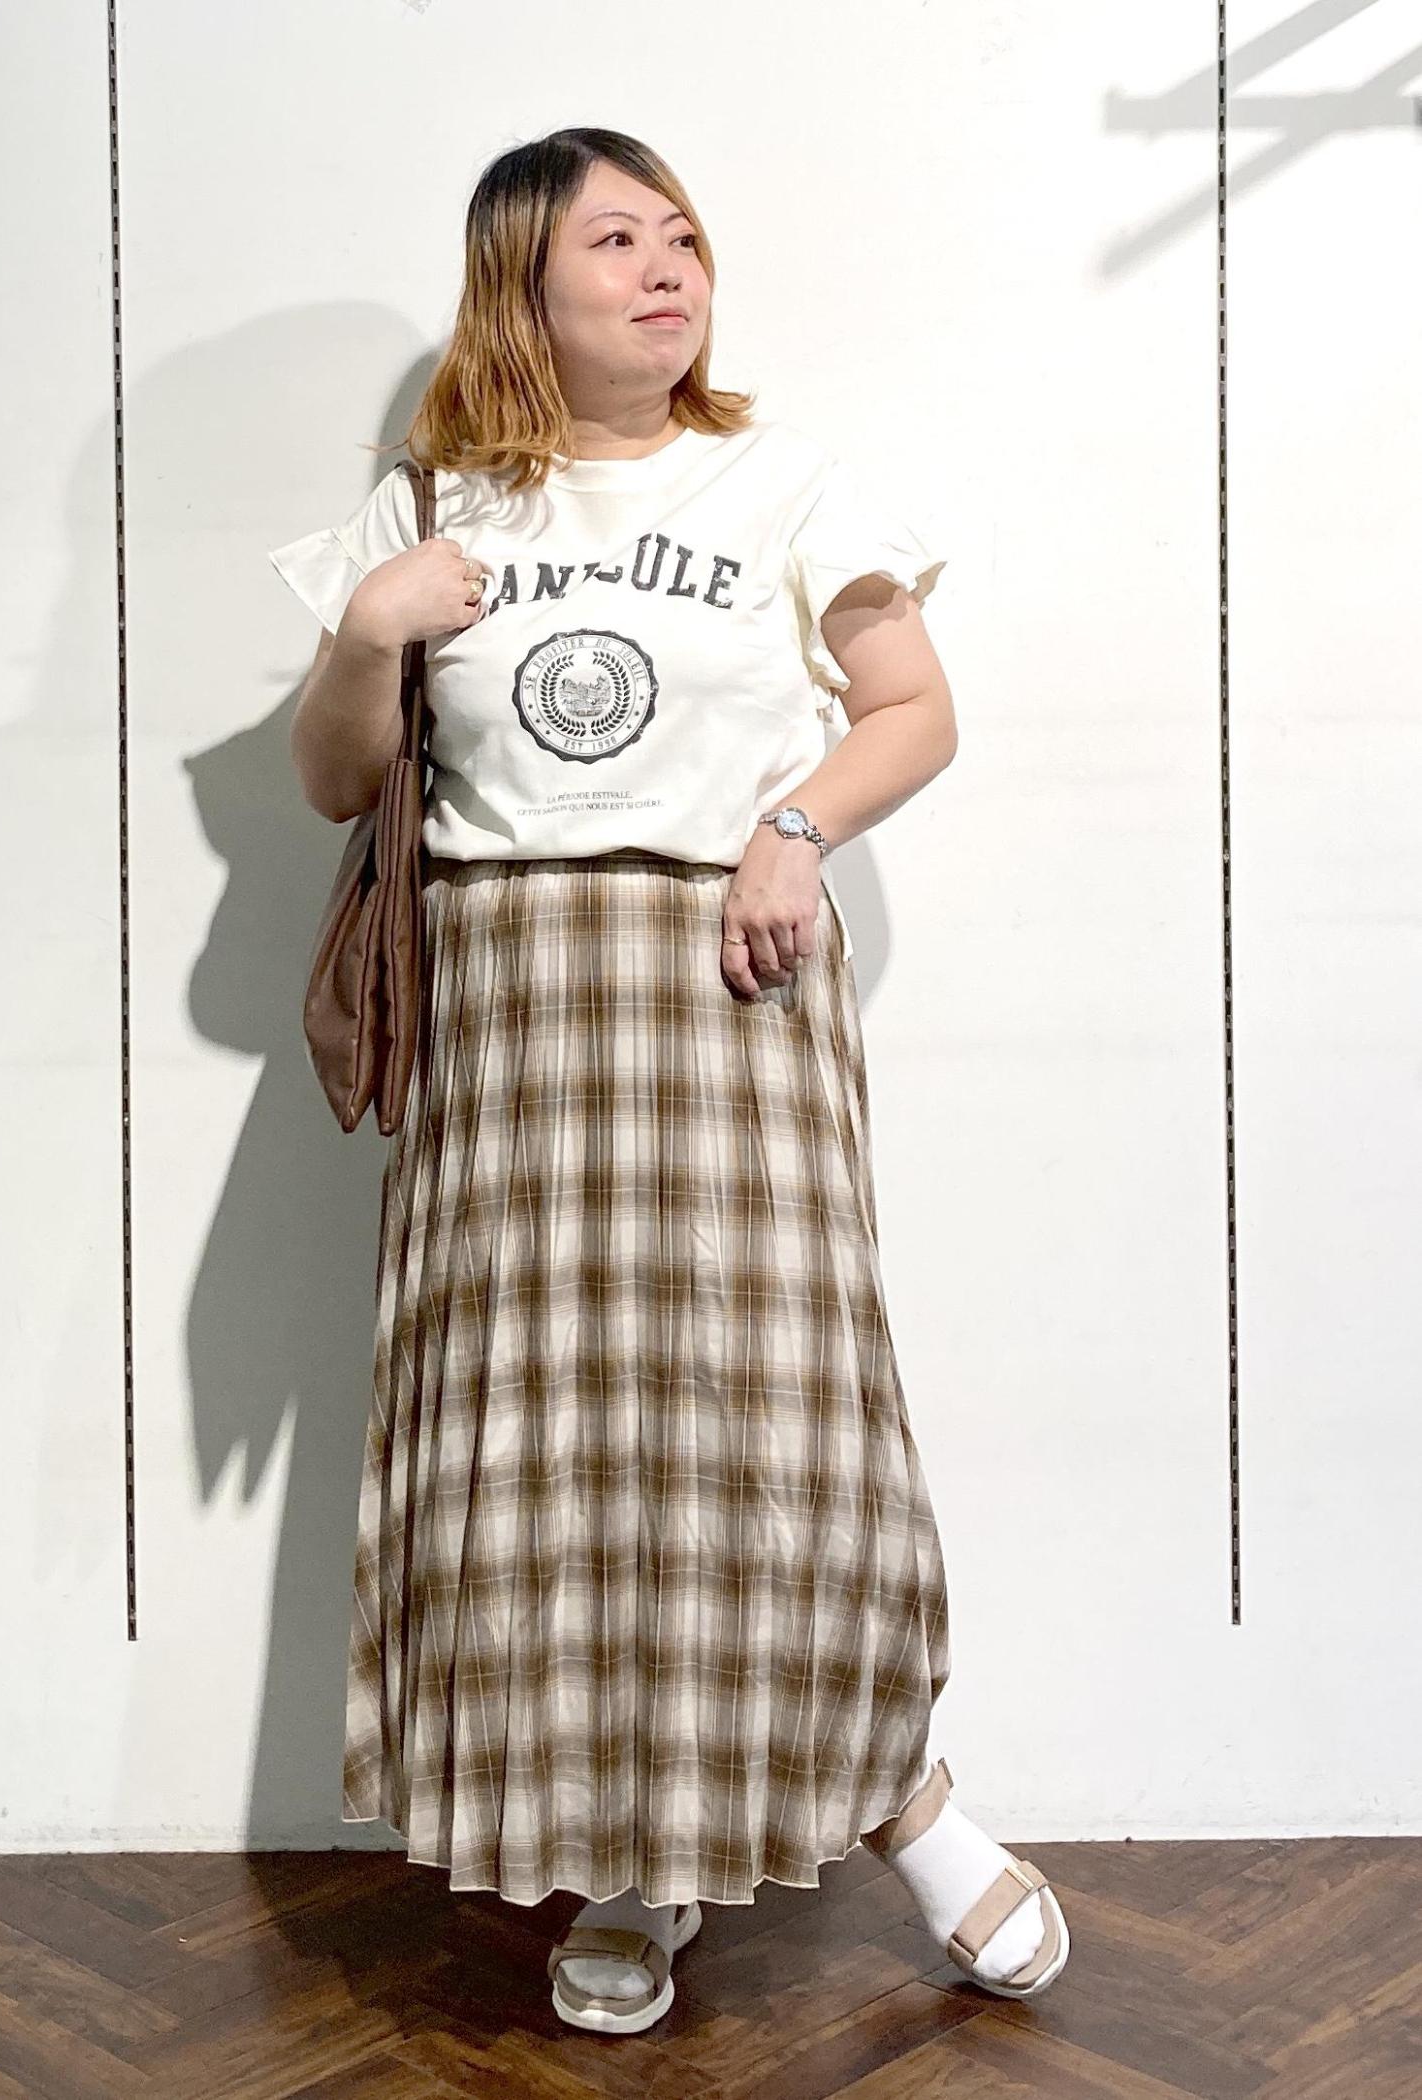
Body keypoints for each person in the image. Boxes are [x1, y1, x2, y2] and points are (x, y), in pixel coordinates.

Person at [267, 125, 1069, 2035]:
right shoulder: (433, 503)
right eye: (615, 238)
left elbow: (915, 708)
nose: (666, 266)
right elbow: (336, 780)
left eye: (682, 235)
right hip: (511, 1021)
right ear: (522, 284)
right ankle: (630, 1863)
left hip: (729, 991)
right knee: (552, 1456)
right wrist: (369, 631)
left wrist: (794, 827)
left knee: (782, 1429)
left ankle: (907, 1800)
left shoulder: (784, 481)